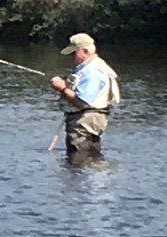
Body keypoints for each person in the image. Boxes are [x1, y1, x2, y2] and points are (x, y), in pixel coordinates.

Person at [49, 32, 119, 160]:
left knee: (78, 156)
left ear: (85, 51)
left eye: (74, 53)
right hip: (88, 119)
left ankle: (81, 178)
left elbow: (82, 101)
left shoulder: (93, 71)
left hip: (85, 119)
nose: (71, 57)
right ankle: (88, 176)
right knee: (89, 155)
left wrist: (62, 88)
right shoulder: (89, 68)